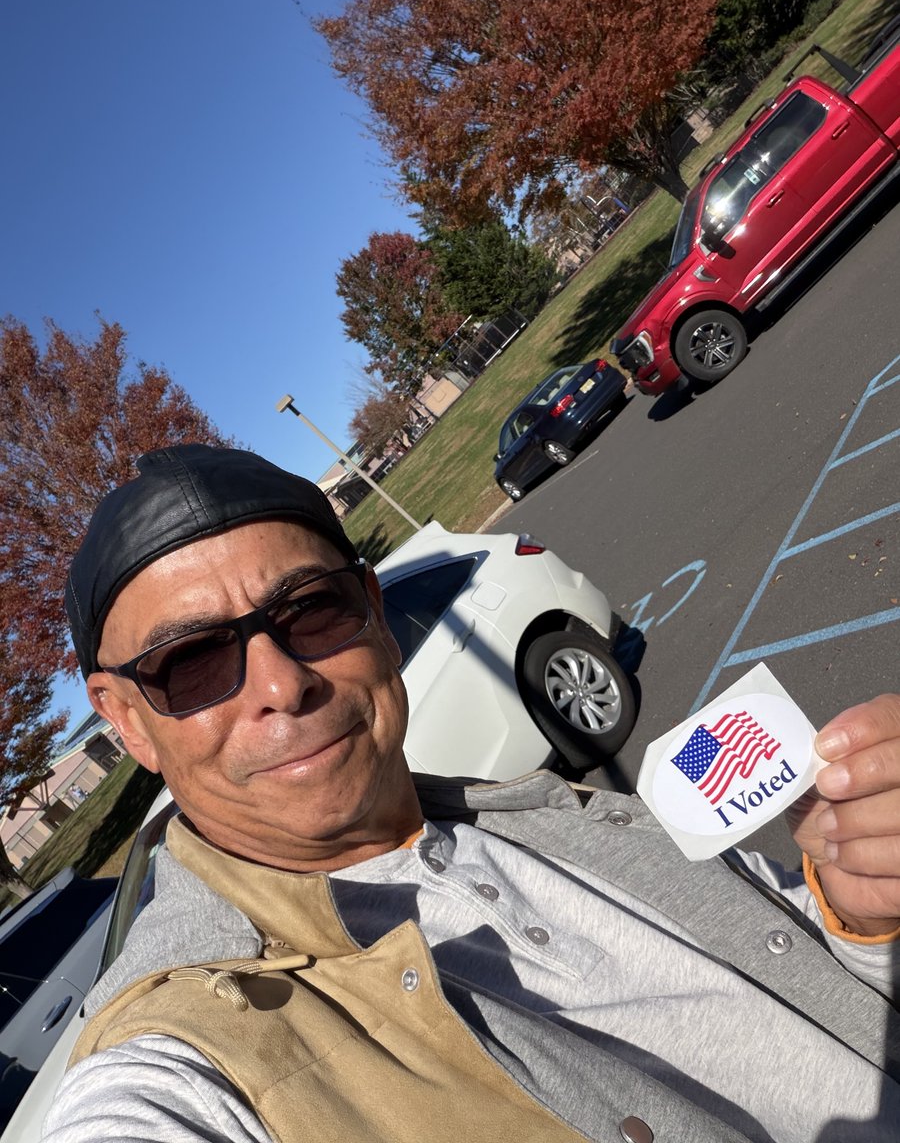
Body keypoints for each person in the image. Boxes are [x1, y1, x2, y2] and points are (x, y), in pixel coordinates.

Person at [44, 443, 900, 1143]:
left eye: (312, 612)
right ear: (127, 722)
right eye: (190, 664)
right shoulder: (186, 1044)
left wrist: (865, 917)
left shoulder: (537, 805)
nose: (281, 683)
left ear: (375, 614)